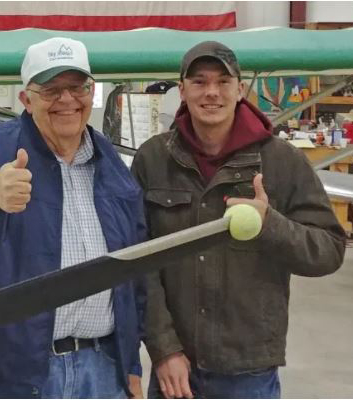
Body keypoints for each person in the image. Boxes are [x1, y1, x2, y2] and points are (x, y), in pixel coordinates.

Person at [0, 37, 146, 399]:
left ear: (91, 91)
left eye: (77, 87)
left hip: (102, 371)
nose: (67, 100)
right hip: (14, 380)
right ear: (26, 99)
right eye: (51, 90)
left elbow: (136, 268)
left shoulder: (110, 163)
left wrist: (131, 363)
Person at [131, 41, 345, 399]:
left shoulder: (281, 162)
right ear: (181, 90)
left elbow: (329, 250)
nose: (211, 92)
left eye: (223, 81)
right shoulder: (153, 160)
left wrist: (270, 225)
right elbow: (139, 263)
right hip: (176, 371)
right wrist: (164, 348)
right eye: (199, 82)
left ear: (240, 89)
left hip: (249, 372)